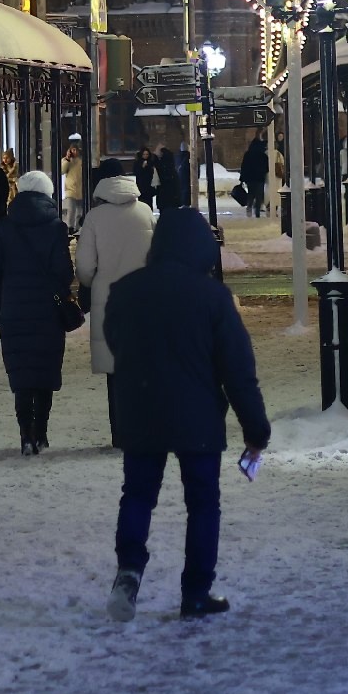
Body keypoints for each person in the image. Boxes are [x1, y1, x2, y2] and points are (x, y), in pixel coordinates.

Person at [101, 207, 270, 621]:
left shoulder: (125, 290)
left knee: (138, 494)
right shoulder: (212, 297)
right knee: (203, 503)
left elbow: (113, 340)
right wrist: (256, 429)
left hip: (140, 409)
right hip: (198, 416)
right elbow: (237, 369)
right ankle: (196, 592)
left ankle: (128, 571)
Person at [0, 169, 72, 455]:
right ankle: (42, 433)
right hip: (48, 310)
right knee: (44, 371)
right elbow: (63, 272)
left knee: (21, 374)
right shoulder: (57, 228)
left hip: (13, 309)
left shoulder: (5, 227)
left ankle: (25, 433)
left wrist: (9, 287)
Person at [74, 159, 152, 448]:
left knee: (115, 370)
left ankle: (120, 431)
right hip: (144, 297)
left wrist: (92, 281)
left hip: (109, 299)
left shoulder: (94, 218)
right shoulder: (145, 212)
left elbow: (84, 267)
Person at [238, 132, 269, 218]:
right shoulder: (263, 156)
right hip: (259, 178)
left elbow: (244, 166)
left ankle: (249, 208)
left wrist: (242, 178)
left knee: (251, 194)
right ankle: (257, 212)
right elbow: (267, 167)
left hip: (250, 178)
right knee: (259, 195)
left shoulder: (248, 154)